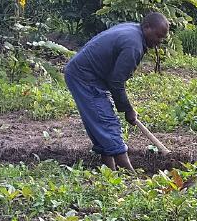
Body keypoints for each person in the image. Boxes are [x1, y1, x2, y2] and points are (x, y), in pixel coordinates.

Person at [64, 12, 169, 171]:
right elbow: (116, 82)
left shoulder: (134, 31)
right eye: (158, 36)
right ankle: (130, 176)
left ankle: (110, 174)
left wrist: (126, 108)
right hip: (84, 77)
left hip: (90, 75)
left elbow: (114, 78)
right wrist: (127, 109)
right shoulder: (133, 45)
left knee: (101, 121)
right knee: (107, 123)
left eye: (162, 38)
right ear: (147, 27)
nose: (159, 41)